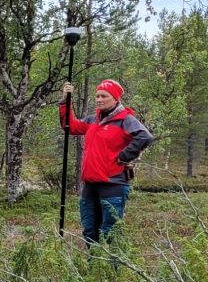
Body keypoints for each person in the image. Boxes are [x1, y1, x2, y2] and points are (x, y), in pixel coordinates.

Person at [59, 78, 154, 245]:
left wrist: (125, 155)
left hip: (113, 185)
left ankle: (112, 270)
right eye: (97, 96)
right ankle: (94, 268)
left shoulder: (125, 119)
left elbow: (145, 136)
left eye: (104, 96)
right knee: (89, 231)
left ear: (115, 98)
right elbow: (70, 126)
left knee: (110, 232)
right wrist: (66, 100)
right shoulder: (91, 120)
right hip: (90, 184)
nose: (99, 100)